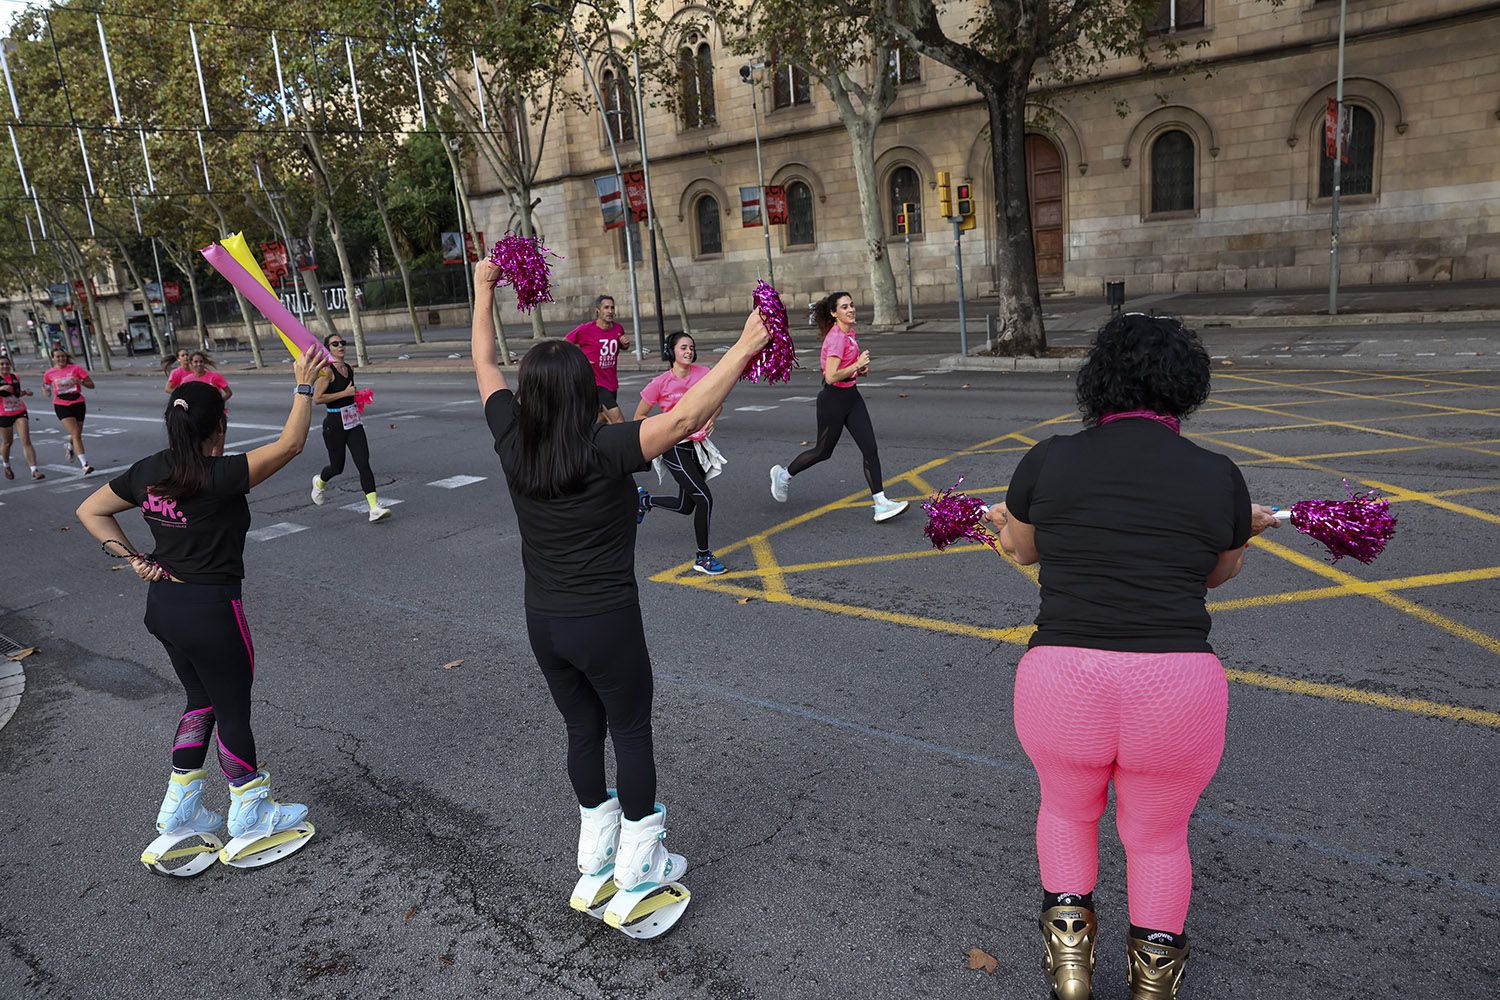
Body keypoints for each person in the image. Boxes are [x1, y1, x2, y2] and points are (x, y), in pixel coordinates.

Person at [981, 314, 1280, 1000]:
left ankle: (1071, 974)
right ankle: (1152, 988)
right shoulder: (1219, 476)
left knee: (1065, 812)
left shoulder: (1047, 459)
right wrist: (1248, 529)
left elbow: (1023, 551)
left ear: (1099, 382)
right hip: (1176, 690)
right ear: (1185, 386)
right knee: (1159, 839)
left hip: (1062, 682)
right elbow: (1214, 574)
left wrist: (1001, 526)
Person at [470, 259, 769, 930]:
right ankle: (639, 864)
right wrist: (748, 346)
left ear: (528, 397)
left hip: (544, 622)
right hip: (604, 620)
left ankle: (596, 856)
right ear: (583, 393)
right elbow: (687, 412)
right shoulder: (604, 447)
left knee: (583, 728)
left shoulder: (512, 440)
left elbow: (483, 360)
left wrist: (484, 290)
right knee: (630, 730)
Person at [73, 350, 328, 870]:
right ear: (221, 425)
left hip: (165, 607)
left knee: (199, 702)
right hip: (212, 611)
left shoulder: (151, 471)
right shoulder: (219, 475)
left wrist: (133, 559)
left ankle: (179, 809)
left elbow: (89, 509)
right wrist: (304, 387)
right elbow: (292, 444)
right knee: (232, 708)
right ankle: (250, 812)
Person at [769, 291, 908, 523]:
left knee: (870, 448)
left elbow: (848, 370)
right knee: (823, 451)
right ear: (834, 313)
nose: (851, 309)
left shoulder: (850, 333)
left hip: (851, 396)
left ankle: (880, 503)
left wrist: (859, 369)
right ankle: (783, 475)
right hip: (833, 400)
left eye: (852, 305)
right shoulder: (836, 338)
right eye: (844, 307)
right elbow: (831, 376)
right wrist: (856, 364)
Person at [632, 332, 726, 575]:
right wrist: (665, 428)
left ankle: (644, 500)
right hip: (674, 446)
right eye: (683, 347)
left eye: (692, 347)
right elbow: (639, 417)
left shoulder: (703, 374)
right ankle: (703, 557)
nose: (689, 351)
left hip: (697, 446)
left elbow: (717, 402)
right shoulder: (660, 383)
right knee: (704, 498)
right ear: (671, 352)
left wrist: (711, 418)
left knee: (687, 505)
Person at [309, 335, 391, 523]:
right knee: (337, 467)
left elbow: (349, 394)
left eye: (342, 343)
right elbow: (318, 398)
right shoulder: (327, 372)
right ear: (328, 349)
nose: (340, 346)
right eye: (335, 344)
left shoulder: (349, 369)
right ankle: (320, 482)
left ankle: (374, 508)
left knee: (363, 463)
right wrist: (344, 393)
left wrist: (357, 396)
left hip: (353, 422)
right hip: (334, 424)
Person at [564, 294, 630, 424]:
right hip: (594, 383)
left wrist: (625, 344)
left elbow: (621, 347)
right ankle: (623, 443)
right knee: (618, 420)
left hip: (611, 382)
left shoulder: (618, 328)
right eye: (606, 307)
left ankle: (583, 439)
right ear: (597, 310)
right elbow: (565, 344)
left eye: (612, 307)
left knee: (600, 419)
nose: (610, 311)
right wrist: (580, 360)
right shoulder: (585, 329)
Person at [42, 347, 94, 475]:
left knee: (77, 433)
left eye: (63, 356)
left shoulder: (76, 369)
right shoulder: (49, 373)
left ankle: (70, 446)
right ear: (53, 358)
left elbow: (92, 385)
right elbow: (45, 388)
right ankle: (85, 465)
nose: (61, 359)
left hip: (78, 403)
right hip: (61, 404)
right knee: (76, 433)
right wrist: (46, 391)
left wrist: (80, 381)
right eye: (58, 357)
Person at [0, 354, 44, 480]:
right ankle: (6, 465)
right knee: (7, 442)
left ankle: (34, 470)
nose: (5, 366)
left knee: (26, 440)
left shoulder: (15, 377)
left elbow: (16, 394)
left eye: (7, 364)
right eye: (2, 364)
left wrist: (26, 392)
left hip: (19, 411)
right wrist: (1, 388)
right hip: (3, 414)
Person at [168, 351, 233, 401]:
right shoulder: (186, 380)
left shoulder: (215, 376)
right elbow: (182, 395)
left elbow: (229, 393)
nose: (199, 364)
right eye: (195, 362)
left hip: (214, 414)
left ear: (204, 363)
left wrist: (219, 403)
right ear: (191, 363)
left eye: (201, 361)